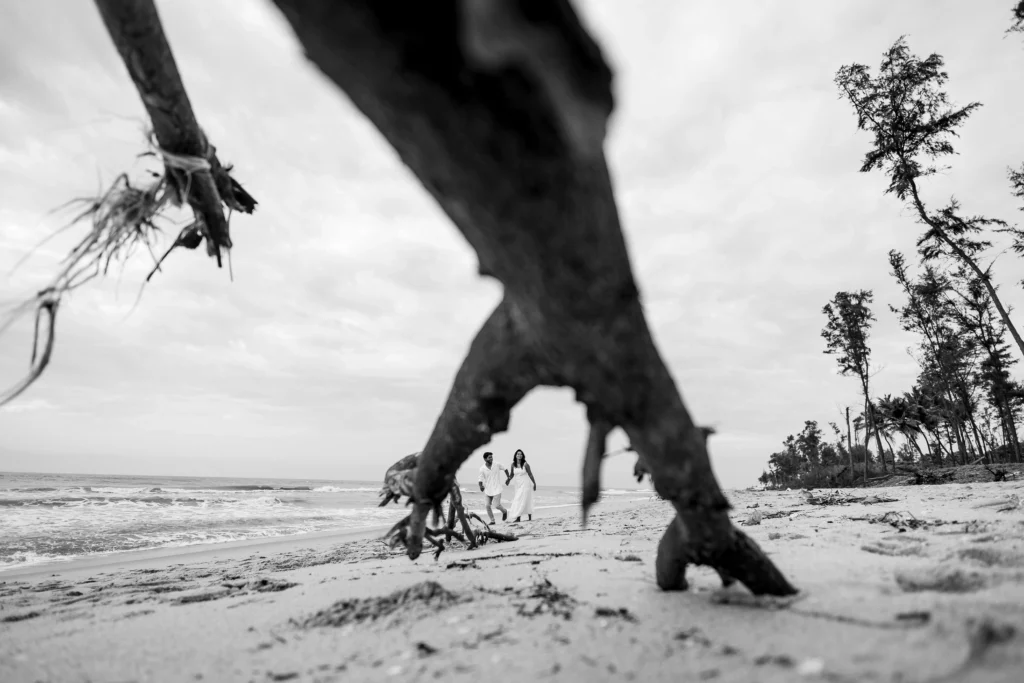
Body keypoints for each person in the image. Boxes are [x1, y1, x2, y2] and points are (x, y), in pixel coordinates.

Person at [505, 448, 536, 523]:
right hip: (518, 484)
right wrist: (508, 479)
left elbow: (530, 474)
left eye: (521, 454)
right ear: (515, 455)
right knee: (519, 499)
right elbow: (512, 474)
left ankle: (521, 517)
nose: (519, 455)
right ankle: (521, 517)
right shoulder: (513, 465)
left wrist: (534, 483)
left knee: (523, 499)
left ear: (523, 456)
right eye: (518, 454)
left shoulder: (525, 464)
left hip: (526, 484)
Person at [477, 451, 509, 524]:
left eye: (492, 457)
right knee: (487, 506)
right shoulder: (482, 468)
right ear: (485, 459)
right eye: (489, 457)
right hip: (488, 490)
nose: (491, 458)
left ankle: (504, 511)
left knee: (497, 505)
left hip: (497, 488)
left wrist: (508, 478)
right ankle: (492, 520)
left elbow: (505, 469)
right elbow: (480, 478)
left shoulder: (497, 464)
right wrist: (480, 486)